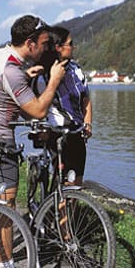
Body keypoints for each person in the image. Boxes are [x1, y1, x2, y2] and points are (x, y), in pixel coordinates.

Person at [0, 15, 67, 268]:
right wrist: (54, 80)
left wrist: (25, 77)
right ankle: (4, 267)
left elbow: (4, 94)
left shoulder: (1, 56)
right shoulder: (13, 71)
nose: (47, 49)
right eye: (45, 44)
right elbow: (36, 110)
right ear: (30, 43)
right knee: (7, 204)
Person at [33, 25, 91, 186]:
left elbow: (86, 99)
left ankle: (70, 210)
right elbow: (36, 106)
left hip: (77, 133)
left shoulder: (76, 69)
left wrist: (88, 124)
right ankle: (58, 210)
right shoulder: (44, 74)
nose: (74, 47)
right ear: (58, 47)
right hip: (56, 135)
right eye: (70, 43)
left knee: (77, 181)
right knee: (65, 182)